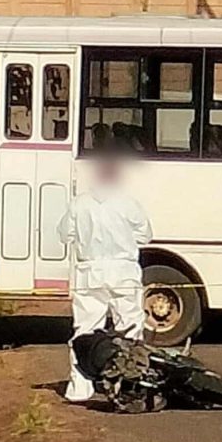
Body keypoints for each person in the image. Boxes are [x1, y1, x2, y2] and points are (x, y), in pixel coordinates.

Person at [58, 158, 153, 403]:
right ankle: (129, 381)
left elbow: (65, 235)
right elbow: (145, 236)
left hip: (89, 270)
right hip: (123, 270)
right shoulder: (128, 203)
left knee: (85, 329)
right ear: (116, 176)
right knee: (131, 325)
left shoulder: (79, 204)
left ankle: (80, 387)